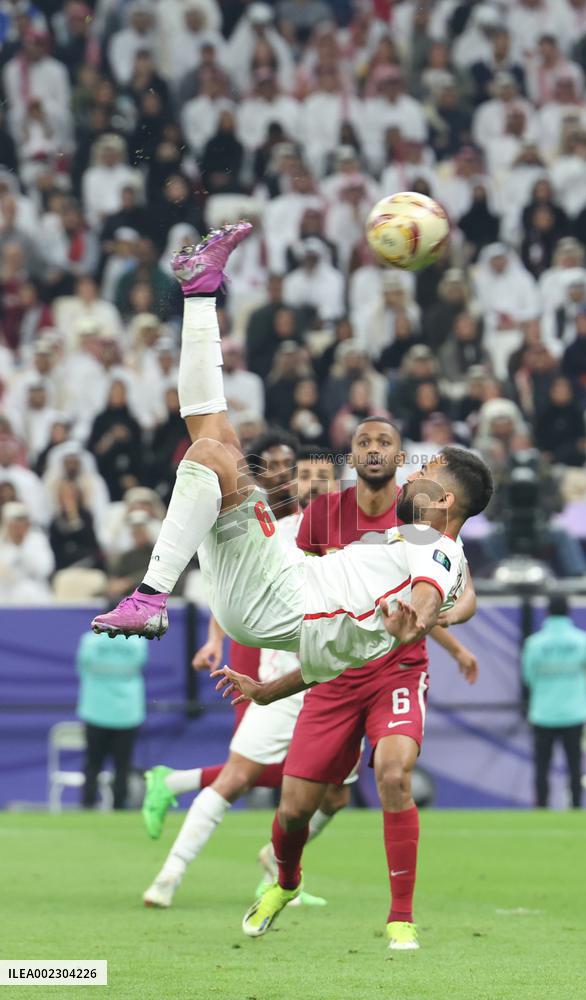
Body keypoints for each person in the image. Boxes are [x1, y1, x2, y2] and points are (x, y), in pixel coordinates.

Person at [91, 226, 493, 949]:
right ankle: (200, 292)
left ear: (445, 506)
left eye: (427, 474)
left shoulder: (438, 550)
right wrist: (272, 691)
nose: (413, 473)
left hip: (277, 604)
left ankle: (151, 592)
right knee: (212, 437)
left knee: (211, 452)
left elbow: (433, 596)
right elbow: (351, 629)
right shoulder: (395, 527)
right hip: (282, 593)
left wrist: (419, 617)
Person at [141, 441, 347, 909]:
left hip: (336, 680)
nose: (296, 479)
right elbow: (233, 589)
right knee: (237, 776)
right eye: (297, 473)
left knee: (334, 797)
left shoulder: (338, 533)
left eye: (291, 470)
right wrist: (216, 638)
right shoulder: (267, 527)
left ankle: (274, 863)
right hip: (284, 677)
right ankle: (169, 876)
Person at [522, 594, 586, 809]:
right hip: (575, 711)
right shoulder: (583, 640)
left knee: (542, 767)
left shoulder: (534, 643)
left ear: (547, 613)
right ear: (569, 612)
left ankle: (542, 808)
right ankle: (577, 807)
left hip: (544, 712)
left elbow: (529, 676)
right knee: (575, 766)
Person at [76, 627, 148, 809]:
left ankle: (88, 803)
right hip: (127, 711)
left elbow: (82, 667)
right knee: (122, 765)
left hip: (95, 708)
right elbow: (140, 664)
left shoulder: (90, 640)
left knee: (93, 762)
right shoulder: (137, 642)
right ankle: (119, 805)